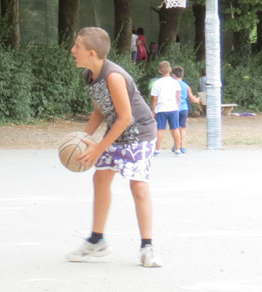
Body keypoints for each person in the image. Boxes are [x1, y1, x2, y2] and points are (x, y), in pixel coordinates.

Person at [68, 27, 160, 268]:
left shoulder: (113, 76)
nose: (72, 50)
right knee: (100, 179)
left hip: (139, 133)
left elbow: (125, 117)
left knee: (138, 186)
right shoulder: (90, 75)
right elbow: (100, 110)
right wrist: (83, 138)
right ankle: (97, 240)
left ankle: (147, 247)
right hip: (117, 132)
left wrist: (98, 148)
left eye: (77, 46)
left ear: (91, 52)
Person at [150, 60, 182, 156]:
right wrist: (178, 106)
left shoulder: (156, 83)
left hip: (161, 108)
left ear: (160, 71)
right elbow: (178, 96)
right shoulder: (175, 82)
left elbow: (154, 99)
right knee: (175, 128)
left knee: (160, 129)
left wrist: (153, 111)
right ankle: (177, 149)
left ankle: (157, 150)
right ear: (170, 70)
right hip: (173, 108)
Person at [172, 66, 198, 154]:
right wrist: (198, 99)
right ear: (182, 75)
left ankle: (176, 145)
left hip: (174, 108)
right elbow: (193, 99)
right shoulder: (186, 86)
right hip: (184, 108)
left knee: (175, 128)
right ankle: (182, 146)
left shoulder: (171, 84)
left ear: (173, 75)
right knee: (182, 128)